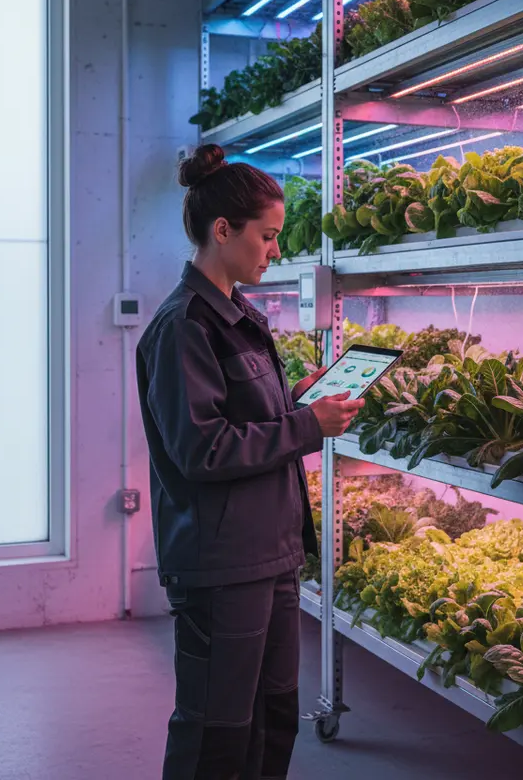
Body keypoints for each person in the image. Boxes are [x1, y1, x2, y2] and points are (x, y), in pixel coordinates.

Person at [136, 143, 364, 780]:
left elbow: (248, 419)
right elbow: (202, 447)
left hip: (270, 551)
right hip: (221, 562)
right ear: (222, 230)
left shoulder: (241, 318)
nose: (274, 251)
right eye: (267, 237)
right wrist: (304, 425)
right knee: (216, 729)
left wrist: (300, 401)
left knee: (273, 716)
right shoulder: (185, 326)